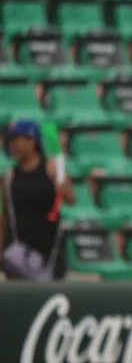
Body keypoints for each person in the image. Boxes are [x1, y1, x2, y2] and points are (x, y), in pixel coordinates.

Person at [0, 118, 75, 281]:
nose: (13, 145)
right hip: (20, 253)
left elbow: (70, 199)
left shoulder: (52, 168)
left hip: (49, 249)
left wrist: (64, 189)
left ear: (31, 141)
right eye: (11, 140)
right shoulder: (9, 175)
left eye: (17, 139)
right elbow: (5, 216)